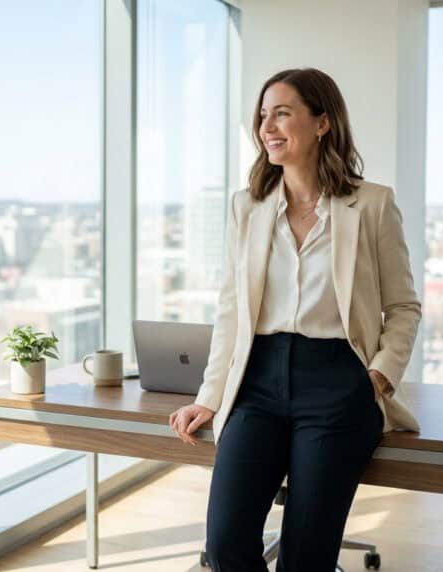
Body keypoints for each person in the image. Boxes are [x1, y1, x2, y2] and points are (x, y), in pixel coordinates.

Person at [168, 68, 422, 571]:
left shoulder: (372, 204)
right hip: (257, 381)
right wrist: (209, 396)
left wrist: (376, 378)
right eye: (263, 116)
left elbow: (403, 306)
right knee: (226, 545)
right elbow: (231, 309)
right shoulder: (247, 207)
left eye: (282, 114)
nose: (267, 127)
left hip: (336, 382)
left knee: (307, 556)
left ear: (322, 123)